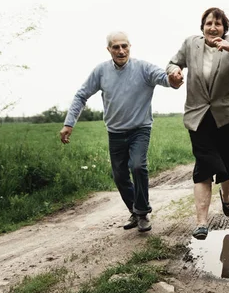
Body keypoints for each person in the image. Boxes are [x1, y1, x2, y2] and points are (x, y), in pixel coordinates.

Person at [60, 31, 182, 233]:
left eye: (124, 46)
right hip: (115, 132)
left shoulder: (143, 68)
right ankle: (134, 211)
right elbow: (81, 95)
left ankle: (142, 213)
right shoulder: (100, 72)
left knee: (137, 165)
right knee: (120, 177)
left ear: (130, 47)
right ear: (109, 49)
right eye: (116, 47)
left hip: (139, 129)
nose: (121, 50)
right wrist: (68, 123)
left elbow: (164, 78)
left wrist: (174, 80)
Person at [166, 7, 229, 240]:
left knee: (227, 164)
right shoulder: (191, 44)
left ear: (225, 28)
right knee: (203, 165)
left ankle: (226, 196)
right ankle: (201, 223)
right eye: (209, 23)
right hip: (198, 114)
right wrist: (175, 72)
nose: (213, 27)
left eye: (218, 24)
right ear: (202, 27)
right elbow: (172, 63)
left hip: (225, 113)